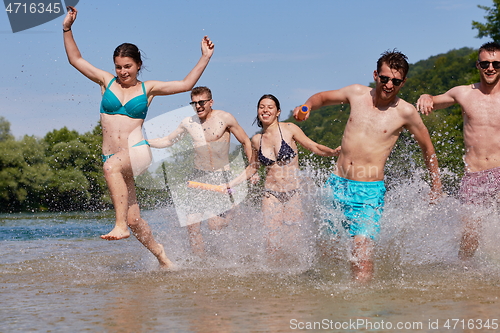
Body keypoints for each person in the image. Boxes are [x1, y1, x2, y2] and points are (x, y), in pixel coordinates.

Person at [62, 6, 214, 268]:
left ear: (138, 65)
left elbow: (186, 84)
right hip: (114, 156)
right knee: (135, 220)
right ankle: (163, 258)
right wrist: (67, 28)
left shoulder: (148, 89)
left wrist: (205, 57)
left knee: (110, 169)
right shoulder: (105, 82)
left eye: (128, 66)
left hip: (137, 151)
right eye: (119, 67)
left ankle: (119, 225)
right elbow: (76, 59)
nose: (122, 71)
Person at [293, 50, 442, 283]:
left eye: (396, 81)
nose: (389, 84)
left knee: (361, 258)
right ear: (375, 75)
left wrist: (436, 184)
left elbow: (428, 149)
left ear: (403, 82)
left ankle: (363, 311)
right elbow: (321, 98)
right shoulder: (356, 93)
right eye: (384, 78)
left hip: (368, 192)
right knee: (326, 253)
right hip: (336, 184)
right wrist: (307, 106)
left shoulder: (406, 112)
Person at [224, 94, 340, 260]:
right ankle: (273, 275)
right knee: (271, 240)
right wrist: (231, 183)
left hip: (293, 192)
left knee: (293, 238)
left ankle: (294, 274)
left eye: (270, 107)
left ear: (278, 112)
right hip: (271, 194)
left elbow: (313, 146)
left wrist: (332, 152)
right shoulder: (257, 139)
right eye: (262, 107)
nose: (265, 110)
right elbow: (252, 167)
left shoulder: (289, 129)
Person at [417, 42, 500, 262]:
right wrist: (426, 96)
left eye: (496, 63)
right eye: (485, 63)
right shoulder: (464, 93)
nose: (490, 68)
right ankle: (464, 275)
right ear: (478, 65)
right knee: (470, 235)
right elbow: (434, 101)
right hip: (475, 177)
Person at [148, 86, 253, 256]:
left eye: (201, 102)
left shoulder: (225, 118)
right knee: (192, 225)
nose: (198, 106)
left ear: (210, 102)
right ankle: (200, 262)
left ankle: (233, 209)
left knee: (214, 225)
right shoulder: (188, 123)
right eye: (194, 103)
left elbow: (246, 141)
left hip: (221, 176)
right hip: (198, 176)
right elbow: (168, 140)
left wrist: (251, 167)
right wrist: (146, 142)